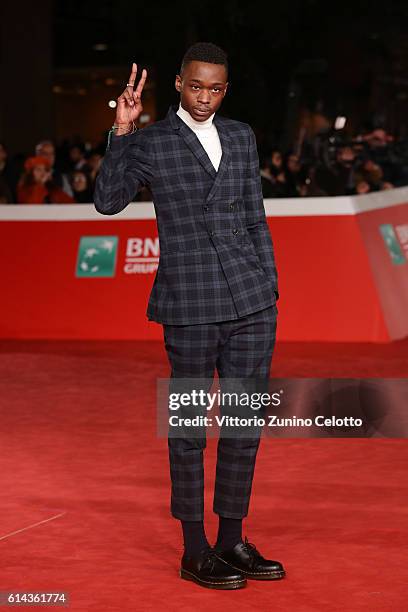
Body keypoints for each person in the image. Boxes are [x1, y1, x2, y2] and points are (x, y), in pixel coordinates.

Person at [94, 42, 285, 590]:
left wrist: (269, 287)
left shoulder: (242, 136)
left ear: (226, 88)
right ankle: (195, 548)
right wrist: (122, 134)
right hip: (190, 304)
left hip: (253, 304)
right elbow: (108, 201)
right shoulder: (152, 139)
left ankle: (232, 540)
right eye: (196, 87)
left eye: (216, 89)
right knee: (187, 429)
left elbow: (255, 217)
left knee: (245, 426)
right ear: (179, 83)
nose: (205, 98)